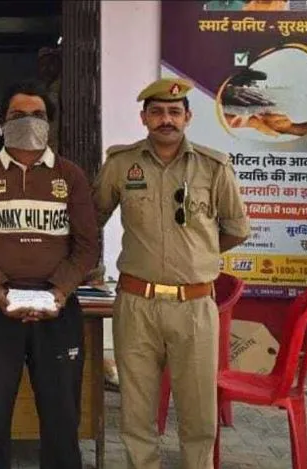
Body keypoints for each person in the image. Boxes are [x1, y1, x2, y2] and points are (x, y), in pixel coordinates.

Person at [92, 78, 250, 469]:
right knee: (136, 409)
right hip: (136, 304)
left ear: (188, 117)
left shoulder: (213, 167)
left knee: (198, 412)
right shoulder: (120, 164)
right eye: (158, 112)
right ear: (144, 117)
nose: (167, 119)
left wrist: (198, 257)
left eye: (175, 112)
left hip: (194, 306)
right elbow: (92, 218)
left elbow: (237, 228)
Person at [0, 80, 100, 469]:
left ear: (50, 122)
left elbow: (87, 246)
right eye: (17, 115)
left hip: (58, 312)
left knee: (61, 418)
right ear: (1, 121)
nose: (27, 121)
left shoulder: (70, 176)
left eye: (37, 115)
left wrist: (59, 291)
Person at [37, 47, 62, 152]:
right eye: (42, 65)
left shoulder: (65, 86)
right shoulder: (40, 91)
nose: (47, 69)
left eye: (51, 63)